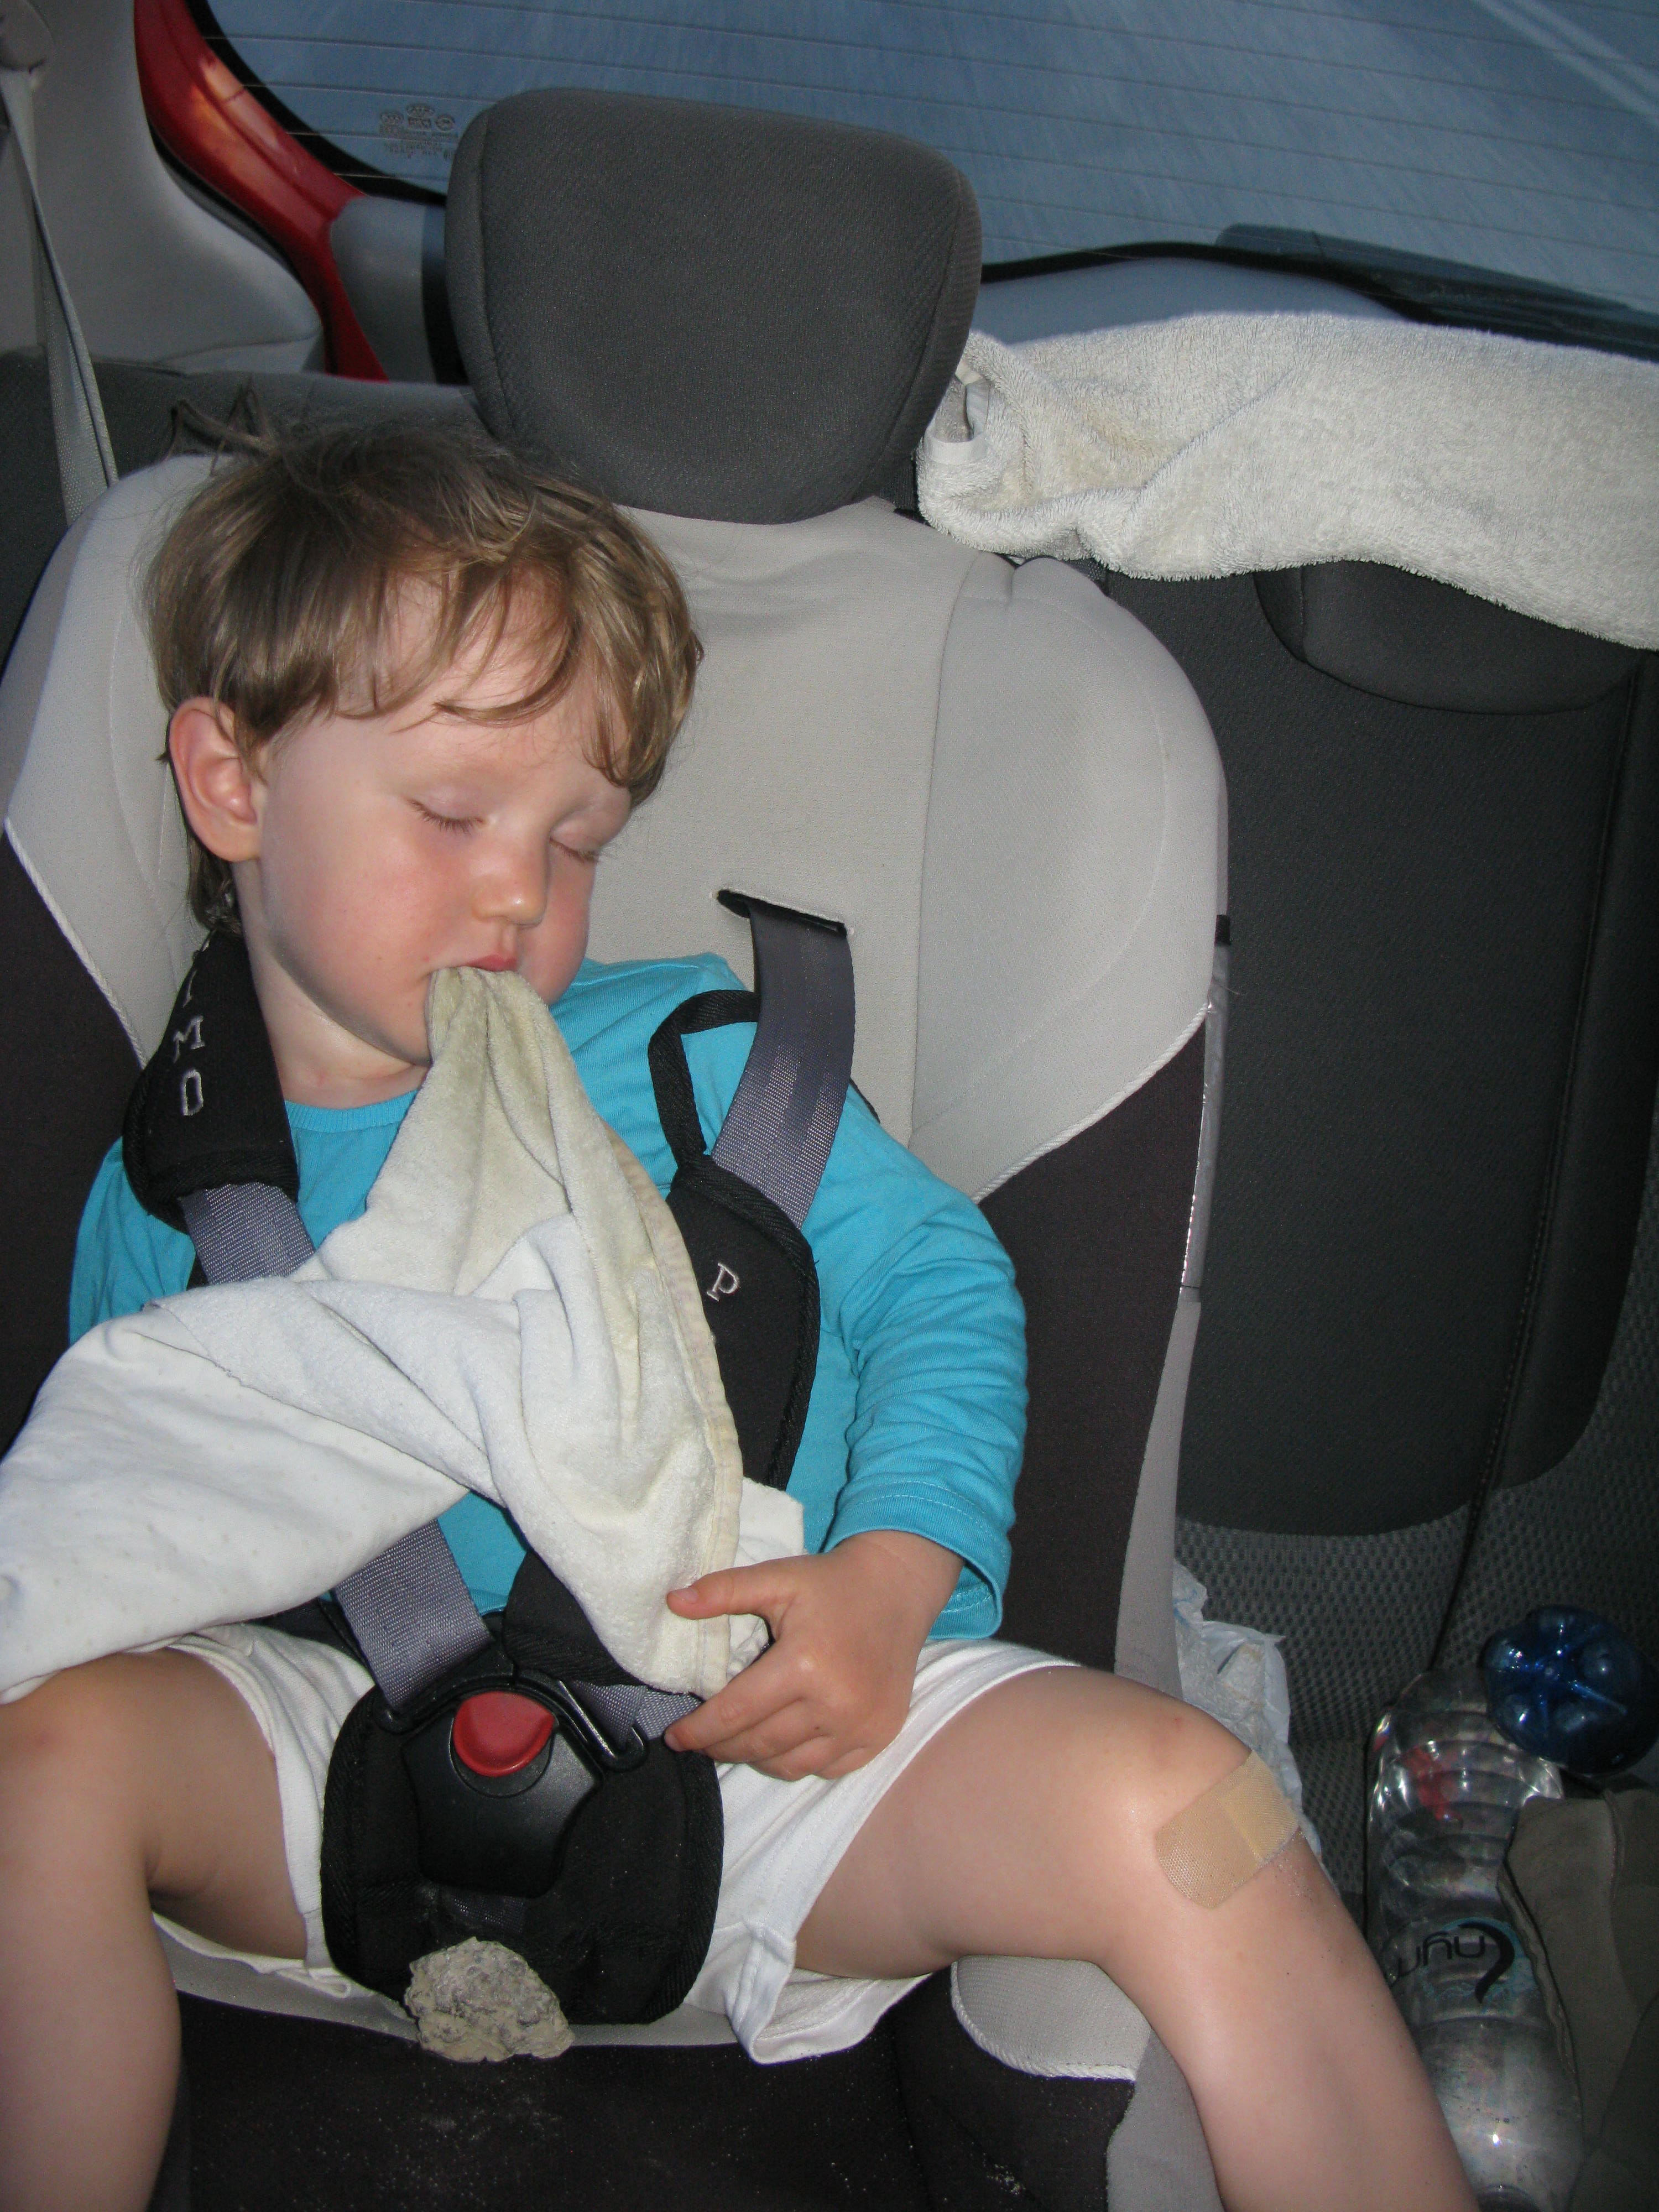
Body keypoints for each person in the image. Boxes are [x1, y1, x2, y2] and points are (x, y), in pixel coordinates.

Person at [0, 421, 1475, 2212]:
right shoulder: (169, 1188)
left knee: (1191, 1802)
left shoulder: (693, 1067)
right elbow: (128, 1526)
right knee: (43, 1765)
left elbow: (941, 1282)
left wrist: (894, 1575)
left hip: (763, 1742)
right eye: (453, 815)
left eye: (576, 843)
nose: (518, 893)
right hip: (329, 1760)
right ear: (231, 784)